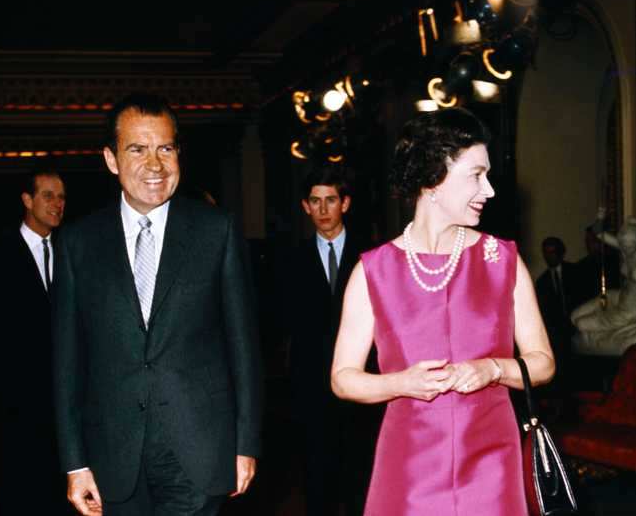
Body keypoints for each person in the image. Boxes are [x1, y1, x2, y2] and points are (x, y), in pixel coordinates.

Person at [330, 107, 555, 516]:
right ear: (433, 177)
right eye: (476, 175)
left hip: (493, 462)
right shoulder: (373, 270)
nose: (489, 190)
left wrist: (493, 369)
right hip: (409, 463)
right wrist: (402, 382)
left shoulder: (502, 260)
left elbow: (543, 364)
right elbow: (344, 379)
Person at [52, 93, 262, 516]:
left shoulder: (215, 231)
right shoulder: (77, 244)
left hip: (199, 447)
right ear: (111, 159)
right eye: (138, 149)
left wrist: (246, 443)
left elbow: (244, 345)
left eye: (165, 148)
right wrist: (75, 463)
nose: (155, 164)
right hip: (114, 453)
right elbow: (66, 362)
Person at [0, 167, 67, 516]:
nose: (57, 204)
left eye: (62, 197)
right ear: (27, 200)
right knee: (21, 490)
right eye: (48, 195)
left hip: (64, 403)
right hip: (15, 404)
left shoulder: (70, 252)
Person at [284, 166, 375, 516]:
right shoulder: (290, 259)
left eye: (331, 201)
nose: (323, 210)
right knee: (317, 481)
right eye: (315, 202)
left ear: (346, 203)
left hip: (365, 384)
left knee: (361, 479)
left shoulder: (373, 255)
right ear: (306, 206)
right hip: (312, 387)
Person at [571, 215, 636, 355]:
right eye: (624, 245)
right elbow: (599, 233)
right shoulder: (625, 246)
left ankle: (597, 338)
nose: (626, 249)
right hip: (619, 297)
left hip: (631, 312)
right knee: (574, 316)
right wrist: (600, 217)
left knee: (580, 324)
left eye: (630, 246)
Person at [534, 236, 579, 392]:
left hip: (580, 326)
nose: (549, 256)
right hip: (558, 336)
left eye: (552, 252)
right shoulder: (541, 282)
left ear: (561, 253)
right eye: (545, 253)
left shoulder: (576, 272)